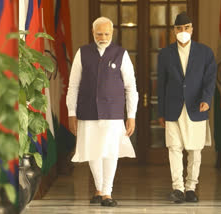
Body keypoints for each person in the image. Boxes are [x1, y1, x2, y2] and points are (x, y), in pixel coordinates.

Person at [66, 16, 138, 207]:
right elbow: (73, 86)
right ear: (93, 33)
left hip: (113, 112)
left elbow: (131, 87)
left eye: (107, 33)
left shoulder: (121, 54)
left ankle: (107, 192)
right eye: (99, 34)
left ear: (112, 33)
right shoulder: (82, 53)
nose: (103, 37)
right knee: (93, 150)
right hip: (87, 110)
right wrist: (71, 112)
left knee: (110, 151)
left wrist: (131, 115)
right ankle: (99, 188)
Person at [157, 12, 217, 203]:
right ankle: (178, 189)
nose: (183, 32)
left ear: (192, 29)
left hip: (196, 107)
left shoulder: (205, 53)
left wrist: (206, 99)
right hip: (172, 108)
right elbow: (161, 84)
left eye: (186, 28)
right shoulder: (165, 54)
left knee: (195, 149)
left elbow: (210, 80)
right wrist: (160, 112)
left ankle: (191, 187)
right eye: (179, 29)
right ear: (174, 30)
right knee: (173, 148)